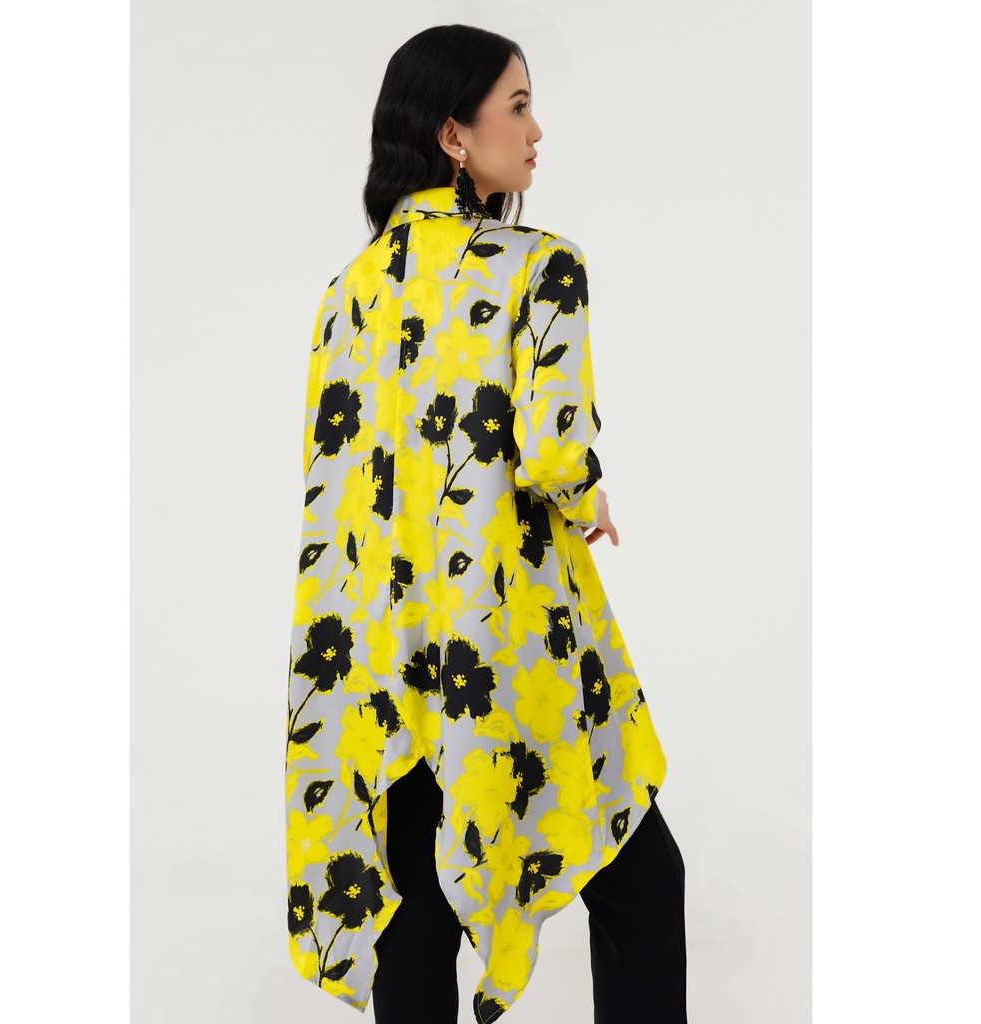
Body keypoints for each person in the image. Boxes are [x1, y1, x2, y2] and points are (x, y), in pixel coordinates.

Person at [285, 23, 687, 1024]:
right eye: (517, 106)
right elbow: (552, 453)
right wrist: (588, 494)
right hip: (507, 644)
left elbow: (337, 493)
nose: (536, 130)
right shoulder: (540, 266)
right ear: (454, 136)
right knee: (639, 880)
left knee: (416, 915)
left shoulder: (346, 296)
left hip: (386, 655)